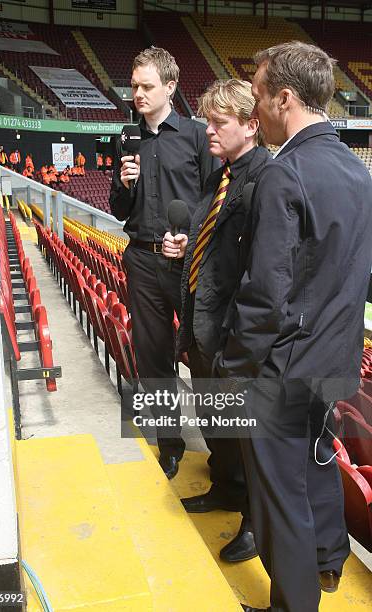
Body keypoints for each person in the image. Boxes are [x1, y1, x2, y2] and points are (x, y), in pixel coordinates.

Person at [214, 41, 372, 612]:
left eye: (258, 96)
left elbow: (265, 296)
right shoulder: (358, 171)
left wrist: (234, 368)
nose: (254, 111)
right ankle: (328, 565)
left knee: (280, 500)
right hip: (334, 363)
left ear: (285, 97)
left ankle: (294, 605)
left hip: (283, 370)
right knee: (315, 465)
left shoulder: (286, 174)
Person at [162, 79, 271, 562]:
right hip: (203, 323)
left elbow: (260, 270)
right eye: (207, 120)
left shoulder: (264, 178)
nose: (208, 130)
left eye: (218, 122)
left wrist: (238, 341)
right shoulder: (221, 175)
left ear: (251, 125)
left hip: (231, 332)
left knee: (246, 435)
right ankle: (226, 489)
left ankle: (254, 518)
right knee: (216, 422)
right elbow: (218, 248)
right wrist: (189, 251)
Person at [109, 47, 218, 478]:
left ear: (170, 87)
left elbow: (214, 203)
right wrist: (122, 183)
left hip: (188, 262)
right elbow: (119, 210)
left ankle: (225, 458)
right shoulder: (125, 136)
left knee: (205, 355)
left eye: (146, 86)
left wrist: (191, 240)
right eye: (134, 86)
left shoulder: (196, 135)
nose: (137, 93)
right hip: (141, 259)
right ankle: (169, 445)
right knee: (153, 359)